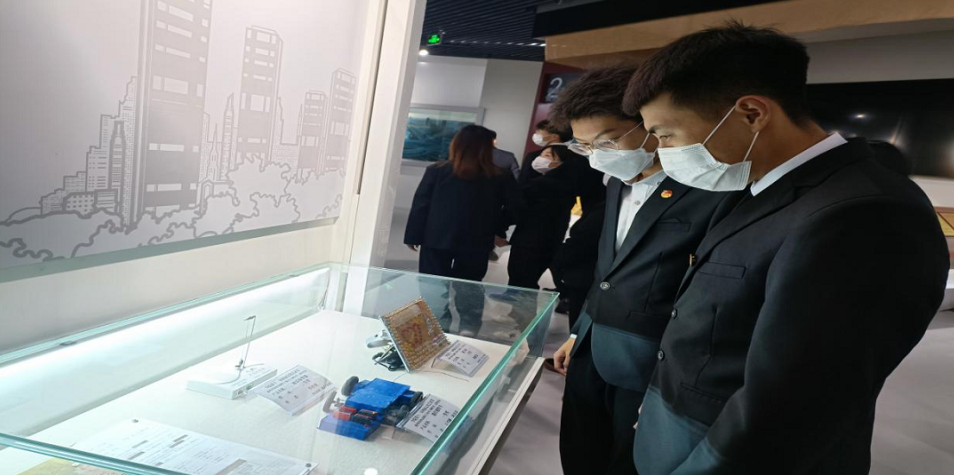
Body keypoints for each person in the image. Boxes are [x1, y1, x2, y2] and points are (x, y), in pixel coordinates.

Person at [623, 22, 949, 474]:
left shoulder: (865, 213)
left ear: (751, 113)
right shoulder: (755, 187)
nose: (661, 152)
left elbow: (797, 401)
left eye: (666, 134)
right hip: (685, 427)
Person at [546, 65, 733, 475]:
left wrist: (674, 383)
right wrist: (580, 331)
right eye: (585, 146)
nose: (599, 156)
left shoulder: (709, 189)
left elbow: (706, 298)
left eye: (607, 141)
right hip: (593, 346)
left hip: (650, 365)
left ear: (647, 126)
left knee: (627, 461)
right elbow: (607, 271)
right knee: (580, 450)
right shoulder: (617, 181)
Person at [404, 125, 521, 336]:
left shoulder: (437, 170)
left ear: (456, 145)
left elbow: (421, 204)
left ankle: (438, 326)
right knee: (470, 284)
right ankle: (469, 326)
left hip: (436, 238)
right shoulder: (500, 176)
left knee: (433, 283)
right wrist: (498, 229)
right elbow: (515, 208)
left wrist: (413, 235)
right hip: (477, 240)